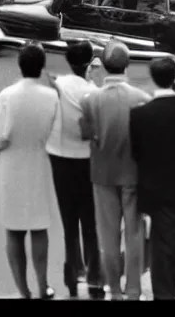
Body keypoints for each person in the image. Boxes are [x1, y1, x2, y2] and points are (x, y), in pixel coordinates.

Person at [80, 40, 151, 300]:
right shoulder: (142, 99)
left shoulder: (90, 100)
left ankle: (114, 290)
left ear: (105, 66)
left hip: (102, 174)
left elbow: (85, 134)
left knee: (107, 237)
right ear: (127, 66)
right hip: (133, 173)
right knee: (134, 234)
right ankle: (134, 291)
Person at [0, 43, 58, 299]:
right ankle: (43, 285)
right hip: (40, 164)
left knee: (14, 230)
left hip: (12, 168)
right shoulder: (51, 97)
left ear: (20, 65)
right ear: (41, 67)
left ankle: (23, 290)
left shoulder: (6, 96)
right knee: (39, 227)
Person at [45, 41, 104, 299]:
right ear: (88, 63)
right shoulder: (92, 92)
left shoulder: (57, 86)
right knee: (90, 223)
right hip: (87, 161)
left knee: (69, 223)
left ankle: (72, 275)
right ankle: (95, 278)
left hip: (60, 159)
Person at [130, 58, 175, 300]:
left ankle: (164, 293)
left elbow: (136, 153)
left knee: (161, 244)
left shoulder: (140, 115)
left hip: (156, 189)